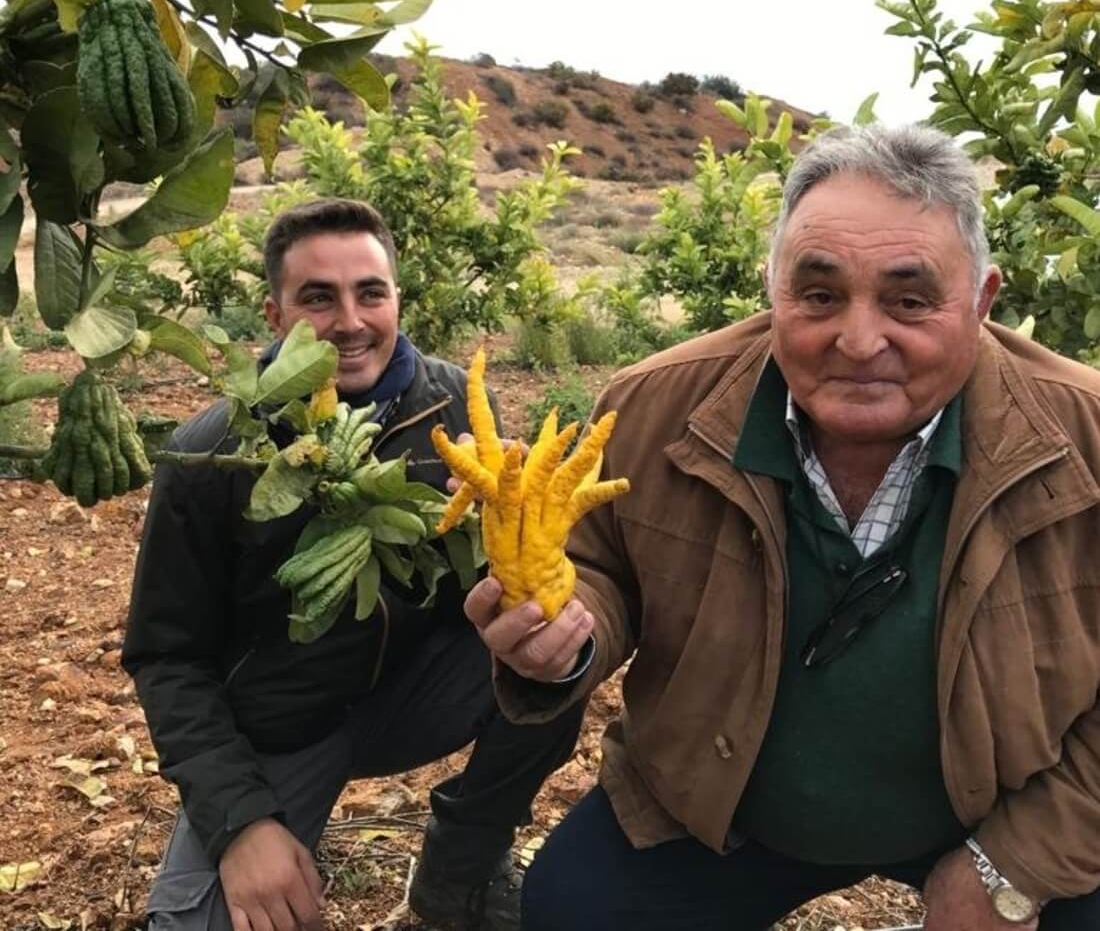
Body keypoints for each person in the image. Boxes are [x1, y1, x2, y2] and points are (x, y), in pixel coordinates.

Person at [465, 125, 1100, 930]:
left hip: (997, 807)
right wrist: (561, 634)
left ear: (981, 301)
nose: (860, 341)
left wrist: (1012, 867)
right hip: (723, 806)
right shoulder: (658, 407)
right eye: (820, 295)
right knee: (574, 907)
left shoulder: (1082, 437)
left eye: (909, 299)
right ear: (772, 292)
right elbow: (601, 568)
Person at [122, 199, 584, 931]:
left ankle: (460, 865)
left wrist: (535, 598)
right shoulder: (214, 451)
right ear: (273, 317)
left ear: (396, 298)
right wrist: (241, 823)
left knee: (552, 661)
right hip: (279, 727)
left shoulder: (454, 414)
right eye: (318, 298)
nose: (350, 321)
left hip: (413, 693)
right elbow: (167, 656)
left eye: (370, 292)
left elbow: (501, 577)